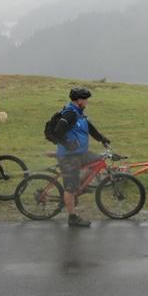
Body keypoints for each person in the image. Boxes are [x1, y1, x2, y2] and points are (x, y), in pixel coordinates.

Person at [53, 87, 111, 227]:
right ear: (79, 101)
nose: (87, 102)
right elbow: (57, 132)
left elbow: (89, 127)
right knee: (70, 187)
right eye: (85, 100)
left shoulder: (79, 113)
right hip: (69, 156)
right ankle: (72, 217)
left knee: (98, 161)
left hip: (80, 153)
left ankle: (80, 185)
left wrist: (102, 138)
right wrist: (68, 144)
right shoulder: (69, 115)